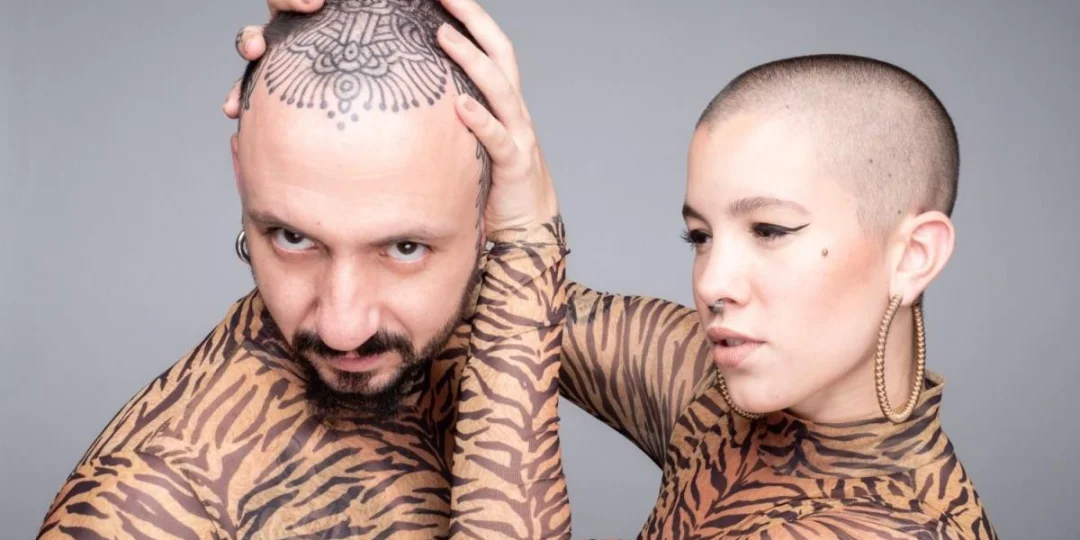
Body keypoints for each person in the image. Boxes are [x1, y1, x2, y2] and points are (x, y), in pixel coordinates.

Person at [225, 1, 999, 539]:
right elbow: (462, 304)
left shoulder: (892, 527)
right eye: (700, 236)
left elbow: (520, 295)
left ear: (913, 256)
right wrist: (333, 67)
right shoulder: (713, 391)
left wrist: (529, 234)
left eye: (769, 230)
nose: (713, 282)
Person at [36, 1, 572, 538]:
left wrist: (525, 247)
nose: (343, 329)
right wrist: (528, 247)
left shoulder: (485, 317)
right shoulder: (137, 510)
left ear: (488, 206)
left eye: (405, 248)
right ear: (242, 177)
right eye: (293, 239)